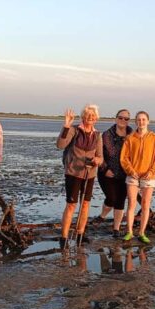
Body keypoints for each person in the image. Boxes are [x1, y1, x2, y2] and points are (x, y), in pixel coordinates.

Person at [56, 105, 103, 248]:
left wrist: (97, 161)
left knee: (86, 204)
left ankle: (80, 235)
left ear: (96, 119)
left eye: (93, 116)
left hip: (89, 174)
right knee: (71, 205)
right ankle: (64, 237)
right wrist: (66, 125)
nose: (90, 118)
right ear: (83, 117)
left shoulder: (97, 135)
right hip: (73, 173)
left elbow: (100, 157)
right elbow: (60, 145)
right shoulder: (74, 130)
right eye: (88, 115)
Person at [121, 111, 155, 244]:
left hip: (148, 176)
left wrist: (152, 172)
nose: (141, 122)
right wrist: (130, 171)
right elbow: (124, 158)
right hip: (133, 176)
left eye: (144, 119)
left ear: (148, 121)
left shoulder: (154, 138)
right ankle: (129, 232)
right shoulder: (130, 138)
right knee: (131, 203)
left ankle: (141, 233)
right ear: (136, 122)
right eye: (139, 119)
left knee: (145, 204)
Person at [93, 109, 133, 238]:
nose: (123, 120)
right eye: (120, 118)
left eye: (126, 119)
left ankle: (116, 229)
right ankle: (102, 216)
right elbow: (98, 154)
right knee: (111, 198)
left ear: (129, 121)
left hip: (125, 173)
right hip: (107, 173)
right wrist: (105, 169)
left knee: (120, 201)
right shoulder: (105, 135)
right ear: (115, 119)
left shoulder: (133, 135)